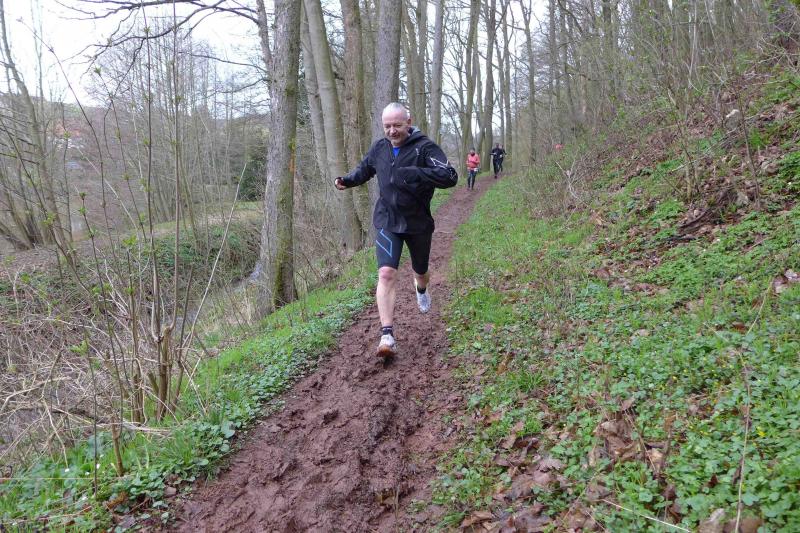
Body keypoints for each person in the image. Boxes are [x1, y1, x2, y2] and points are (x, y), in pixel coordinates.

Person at [334, 103, 458, 358]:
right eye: (387, 126)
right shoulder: (380, 147)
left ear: (408, 122)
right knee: (386, 273)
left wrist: (418, 173)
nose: (392, 131)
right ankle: (387, 335)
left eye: (397, 125)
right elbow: (365, 169)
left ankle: (421, 289)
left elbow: (450, 176)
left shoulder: (425, 147)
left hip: (417, 222)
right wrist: (347, 180)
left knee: (420, 272)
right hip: (388, 220)